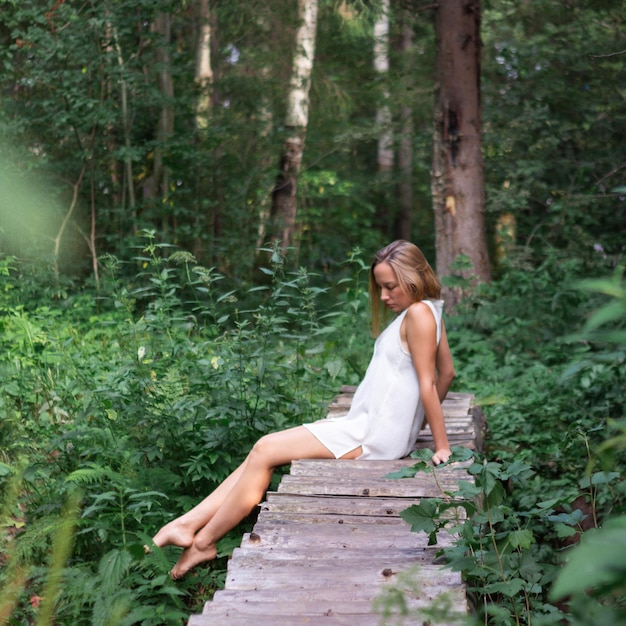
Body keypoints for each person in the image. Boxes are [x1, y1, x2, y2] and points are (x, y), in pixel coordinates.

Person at [150, 240, 455, 578]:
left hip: (374, 434)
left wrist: (440, 444)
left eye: (389, 286)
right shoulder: (430, 309)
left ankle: (204, 540)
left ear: (412, 278)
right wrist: (417, 423)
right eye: (381, 287)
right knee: (261, 451)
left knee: (266, 448)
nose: (383, 296)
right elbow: (448, 373)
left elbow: (429, 381)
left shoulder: (418, 314)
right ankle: (187, 524)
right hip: (374, 426)